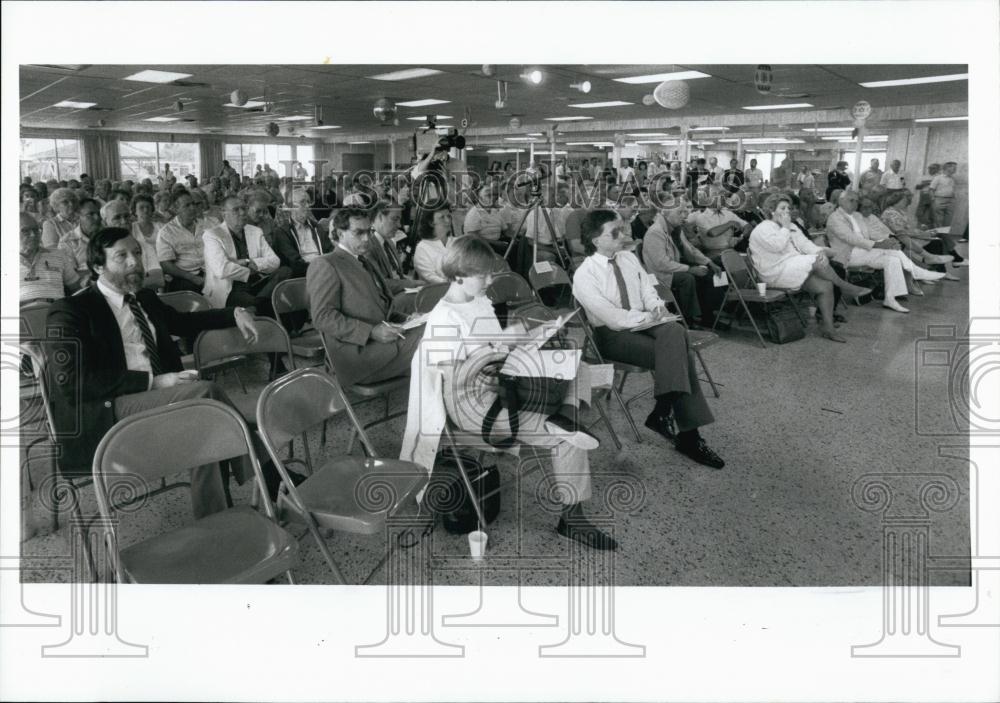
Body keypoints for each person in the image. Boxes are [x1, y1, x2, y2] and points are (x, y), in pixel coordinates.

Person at [400, 236, 616, 550]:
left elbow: (493, 344)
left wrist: (529, 340)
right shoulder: (444, 318)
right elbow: (457, 378)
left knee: (577, 364)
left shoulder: (478, 301)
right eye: (483, 275)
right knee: (566, 439)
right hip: (472, 403)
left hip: (498, 380)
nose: (490, 280)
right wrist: (512, 353)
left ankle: (566, 414)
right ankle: (572, 519)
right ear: (458, 276)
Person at [44, 227, 265, 516]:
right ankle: (270, 476)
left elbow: (183, 323)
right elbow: (71, 383)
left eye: (137, 252)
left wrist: (234, 313)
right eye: (121, 256)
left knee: (206, 419)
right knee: (205, 394)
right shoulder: (71, 310)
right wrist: (156, 382)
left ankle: (217, 519)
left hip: (159, 400)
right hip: (109, 411)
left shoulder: (144, 298)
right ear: (98, 267)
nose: (135, 262)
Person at [573, 210, 725, 469]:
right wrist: (646, 319)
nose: (623, 236)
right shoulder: (584, 275)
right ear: (596, 240)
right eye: (615, 232)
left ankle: (664, 411)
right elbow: (612, 318)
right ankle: (687, 435)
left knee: (675, 332)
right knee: (679, 348)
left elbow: (648, 289)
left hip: (645, 322)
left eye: (622, 229)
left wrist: (657, 307)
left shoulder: (628, 258)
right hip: (614, 336)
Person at [306, 207, 423, 388]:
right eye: (358, 232)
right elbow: (323, 318)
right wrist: (371, 332)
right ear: (340, 233)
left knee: (433, 332)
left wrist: (407, 319)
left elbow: (380, 308)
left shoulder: (362, 261)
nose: (367, 238)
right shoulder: (326, 264)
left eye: (369, 231)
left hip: (381, 346)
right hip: (360, 357)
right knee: (435, 340)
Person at [749, 194, 871, 343]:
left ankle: (828, 328)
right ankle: (846, 287)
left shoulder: (792, 226)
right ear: (771, 210)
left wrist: (820, 253)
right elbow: (777, 246)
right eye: (782, 208)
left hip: (792, 267)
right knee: (814, 261)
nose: (787, 211)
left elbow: (806, 245)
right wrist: (786, 227)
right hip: (774, 272)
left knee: (826, 286)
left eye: (789, 207)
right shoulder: (763, 228)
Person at [826, 190, 945, 313]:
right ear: (841, 201)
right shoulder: (835, 218)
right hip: (846, 255)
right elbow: (851, 238)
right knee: (890, 251)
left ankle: (890, 298)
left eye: (856, 201)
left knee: (891, 260)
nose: (855, 204)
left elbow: (871, 233)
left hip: (865, 253)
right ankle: (916, 271)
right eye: (851, 200)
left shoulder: (857, 216)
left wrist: (889, 240)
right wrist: (880, 244)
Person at [202, 196, 290, 314]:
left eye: (244, 208)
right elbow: (222, 270)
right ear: (224, 214)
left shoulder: (255, 231)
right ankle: (260, 305)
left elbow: (275, 261)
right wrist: (250, 270)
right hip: (229, 289)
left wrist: (248, 263)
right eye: (236, 210)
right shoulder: (212, 235)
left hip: (255, 283)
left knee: (285, 271)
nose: (243, 213)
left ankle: (257, 306)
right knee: (273, 301)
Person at [642, 203, 724, 329]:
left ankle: (708, 317)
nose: (684, 216)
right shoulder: (655, 232)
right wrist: (690, 269)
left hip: (675, 266)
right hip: (660, 274)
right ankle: (687, 320)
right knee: (687, 279)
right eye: (680, 213)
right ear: (666, 214)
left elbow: (690, 250)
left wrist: (708, 262)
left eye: (685, 212)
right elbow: (661, 264)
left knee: (709, 273)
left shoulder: (675, 229)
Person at [20, 213, 81, 303]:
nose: (33, 235)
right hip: (21, 313)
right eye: (25, 231)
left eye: (36, 230)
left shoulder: (58, 255)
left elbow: (76, 288)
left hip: (56, 311)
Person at [272, 188, 332, 277]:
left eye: (308, 202)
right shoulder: (282, 232)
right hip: (302, 276)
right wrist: (319, 269)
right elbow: (294, 262)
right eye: (303, 202)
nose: (308, 206)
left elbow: (330, 250)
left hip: (325, 270)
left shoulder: (317, 227)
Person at [157, 190, 206, 293]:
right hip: (185, 276)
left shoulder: (205, 225)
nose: (193, 208)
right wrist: (192, 278)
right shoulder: (166, 232)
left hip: (210, 271)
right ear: (176, 209)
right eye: (187, 205)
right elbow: (165, 264)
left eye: (193, 204)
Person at [58, 197, 103, 286]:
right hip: (86, 287)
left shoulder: (108, 235)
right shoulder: (67, 241)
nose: (97, 218)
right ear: (78, 217)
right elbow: (71, 275)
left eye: (98, 214)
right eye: (90, 214)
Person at [413, 206, 455, 284]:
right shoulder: (423, 248)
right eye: (442, 217)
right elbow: (430, 277)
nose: (448, 220)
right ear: (431, 222)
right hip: (437, 292)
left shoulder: (457, 242)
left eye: (449, 216)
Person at [463, 184, 509, 254]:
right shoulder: (474, 213)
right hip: (483, 247)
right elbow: (472, 237)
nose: (492, 197)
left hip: (498, 242)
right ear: (479, 198)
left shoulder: (495, 211)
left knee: (519, 245)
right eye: (488, 195)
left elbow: (505, 230)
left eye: (493, 195)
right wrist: (496, 243)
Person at [929, 161, 958, 229]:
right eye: (954, 168)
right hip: (939, 200)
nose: (955, 169)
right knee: (938, 221)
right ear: (947, 168)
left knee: (948, 221)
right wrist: (933, 201)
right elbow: (931, 190)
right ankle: (937, 238)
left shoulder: (953, 179)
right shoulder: (938, 178)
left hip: (950, 201)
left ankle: (944, 237)